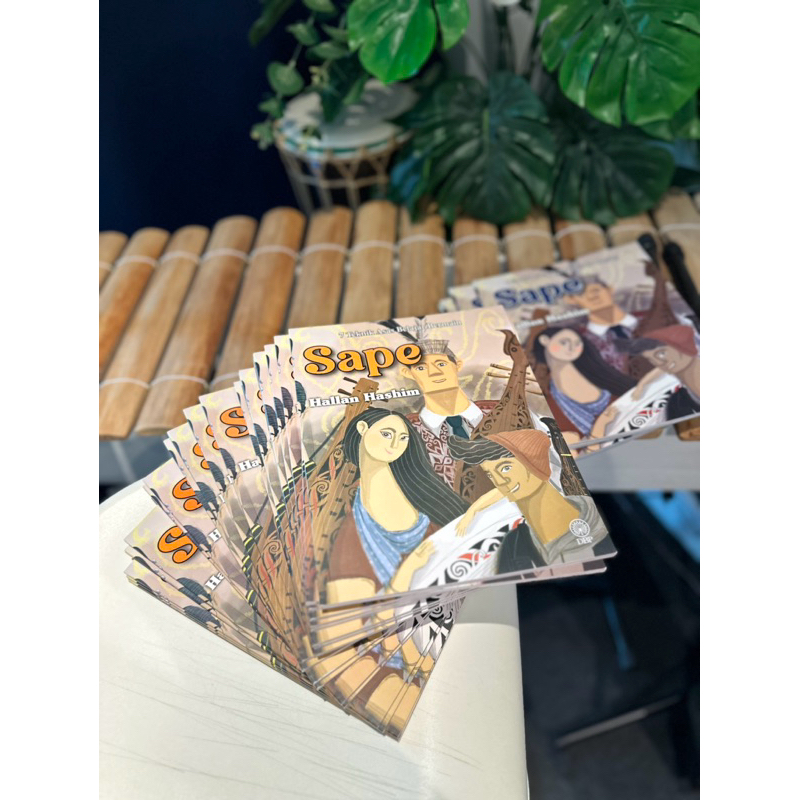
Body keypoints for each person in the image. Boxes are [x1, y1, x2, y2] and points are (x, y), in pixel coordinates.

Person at [320, 408, 469, 725]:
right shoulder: (348, 529)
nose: (394, 444)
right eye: (387, 434)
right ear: (362, 428)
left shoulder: (419, 494)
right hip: (400, 647)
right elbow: (342, 632)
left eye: (402, 438)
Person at [449, 430, 608, 570]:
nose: (499, 481)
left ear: (537, 466)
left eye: (506, 468)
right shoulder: (514, 544)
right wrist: (473, 510)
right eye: (490, 474)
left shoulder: (597, 519)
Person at [398, 338, 496, 486]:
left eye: (441, 364)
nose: (434, 373)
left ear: (458, 365)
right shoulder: (405, 432)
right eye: (421, 368)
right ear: (408, 373)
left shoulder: (502, 411)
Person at [529, 326, 637, 441]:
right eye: (564, 342)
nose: (571, 348)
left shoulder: (598, 374)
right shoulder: (544, 395)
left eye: (577, 343)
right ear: (545, 340)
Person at [617, 324, 700, 420]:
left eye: (662, 353)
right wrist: (641, 385)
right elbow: (659, 370)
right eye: (651, 359)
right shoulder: (677, 403)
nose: (659, 363)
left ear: (683, 347)